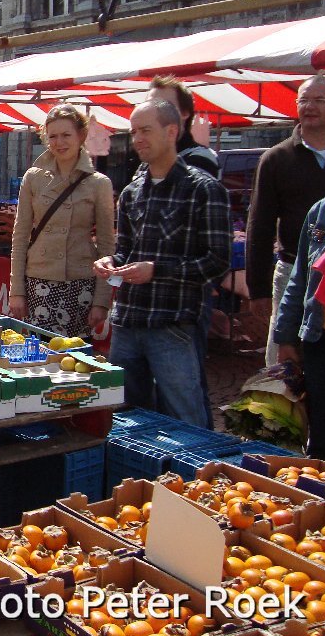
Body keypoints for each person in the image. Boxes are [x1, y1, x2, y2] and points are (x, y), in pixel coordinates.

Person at [94, 99, 231, 427]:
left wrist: (157, 271)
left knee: (186, 418)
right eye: (133, 131)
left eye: (145, 130)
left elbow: (216, 261)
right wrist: (111, 261)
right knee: (125, 420)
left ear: (172, 132)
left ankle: (199, 475)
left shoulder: (204, 189)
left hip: (172, 324)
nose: (137, 138)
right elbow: (127, 251)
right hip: (128, 321)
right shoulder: (131, 192)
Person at [247, 75, 325, 367]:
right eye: (304, 100)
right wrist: (257, 287)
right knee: (283, 361)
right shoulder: (276, 158)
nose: (310, 106)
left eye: (319, 100)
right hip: (292, 270)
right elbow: (259, 225)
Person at [145, 77, 219, 426]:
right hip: (145, 305)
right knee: (155, 395)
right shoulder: (142, 172)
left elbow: (204, 251)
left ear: (183, 118)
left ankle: (198, 467)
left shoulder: (199, 164)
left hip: (182, 303)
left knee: (186, 391)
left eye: (165, 106)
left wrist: (155, 268)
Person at [9, 105, 115, 339]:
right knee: (37, 356)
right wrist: (16, 290)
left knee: (75, 360)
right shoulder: (33, 178)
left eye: (66, 135)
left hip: (80, 283)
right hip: (39, 282)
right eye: (53, 136)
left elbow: (107, 245)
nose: (59, 142)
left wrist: (102, 301)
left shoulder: (99, 184)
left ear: (81, 136)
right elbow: (20, 236)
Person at [274, 195, 325, 458]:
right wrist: (285, 337)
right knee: (322, 433)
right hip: (321, 341)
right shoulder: (321, 212)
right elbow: (299, 279)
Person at [147, 75, 219, 178]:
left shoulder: (201, 158)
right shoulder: (151, 156)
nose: (154, 112)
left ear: (184, 113)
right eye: (149, 106)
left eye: (164, 106)